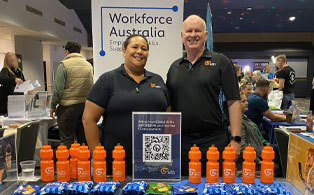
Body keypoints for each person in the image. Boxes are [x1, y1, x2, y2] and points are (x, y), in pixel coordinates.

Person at [82, 34, 170, 175]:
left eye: (144, 48)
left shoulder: (157, 80)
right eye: (134, 47)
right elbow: (88, 119)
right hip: (116, 161)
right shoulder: (107, 80)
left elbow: (168, 118)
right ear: (124, 51)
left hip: (154, 161)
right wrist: (97, 156)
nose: (139, 51)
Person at [166, 15, 241, 176]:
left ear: (205, 35)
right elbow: (169, 107)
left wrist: (236, 139)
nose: (193, 34)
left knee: (216, 189)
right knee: (183, 189)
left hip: (214, 141)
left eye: (197, 31)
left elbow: (234, 102)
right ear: (182, 36)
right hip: (182, 143)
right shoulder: (174, 67)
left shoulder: (221, 62)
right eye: (189, 31)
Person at [50, 41, 93, 148]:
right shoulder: (88, 65)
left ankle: (69, 164)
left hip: (67, 108)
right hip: (85, 107)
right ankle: (84, 163)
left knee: (67, 139)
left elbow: (58, 89)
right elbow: (91, 86)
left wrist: (53, 106)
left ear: (66, 51)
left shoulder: (64, 65)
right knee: (83, 139)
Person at [238, 93, 281, 170]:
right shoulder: (238, 123)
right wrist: (258, 162)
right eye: (243, 101)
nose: (247, 103)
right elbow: (242, 147)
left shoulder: (244, 117)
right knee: (282, 151)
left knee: (282, 148)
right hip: (258, 154)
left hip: (259, 148)